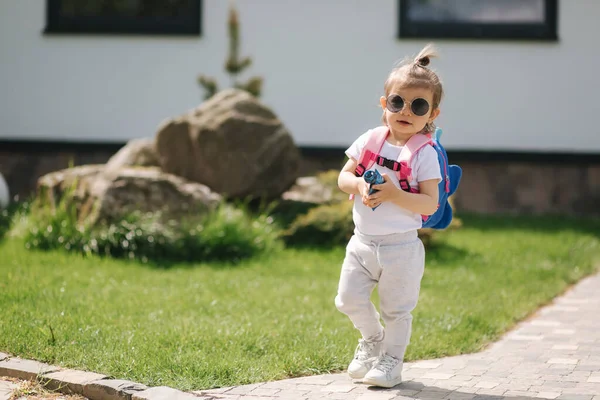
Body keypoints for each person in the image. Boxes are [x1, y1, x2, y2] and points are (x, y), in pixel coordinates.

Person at [335, 43, 444, 388]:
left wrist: (397, 194)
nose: (406, 111)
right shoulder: (371, 140)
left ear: (432, 115)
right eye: (397, 101)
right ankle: (372, 340)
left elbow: (430, 204)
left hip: (401, 249)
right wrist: (359, 186)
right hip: (362, 243)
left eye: (419, 105)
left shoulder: (424, 154)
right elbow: (344, 177)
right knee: (347, 299)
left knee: (397, 310)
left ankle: (392, 360)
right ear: (385, 105)